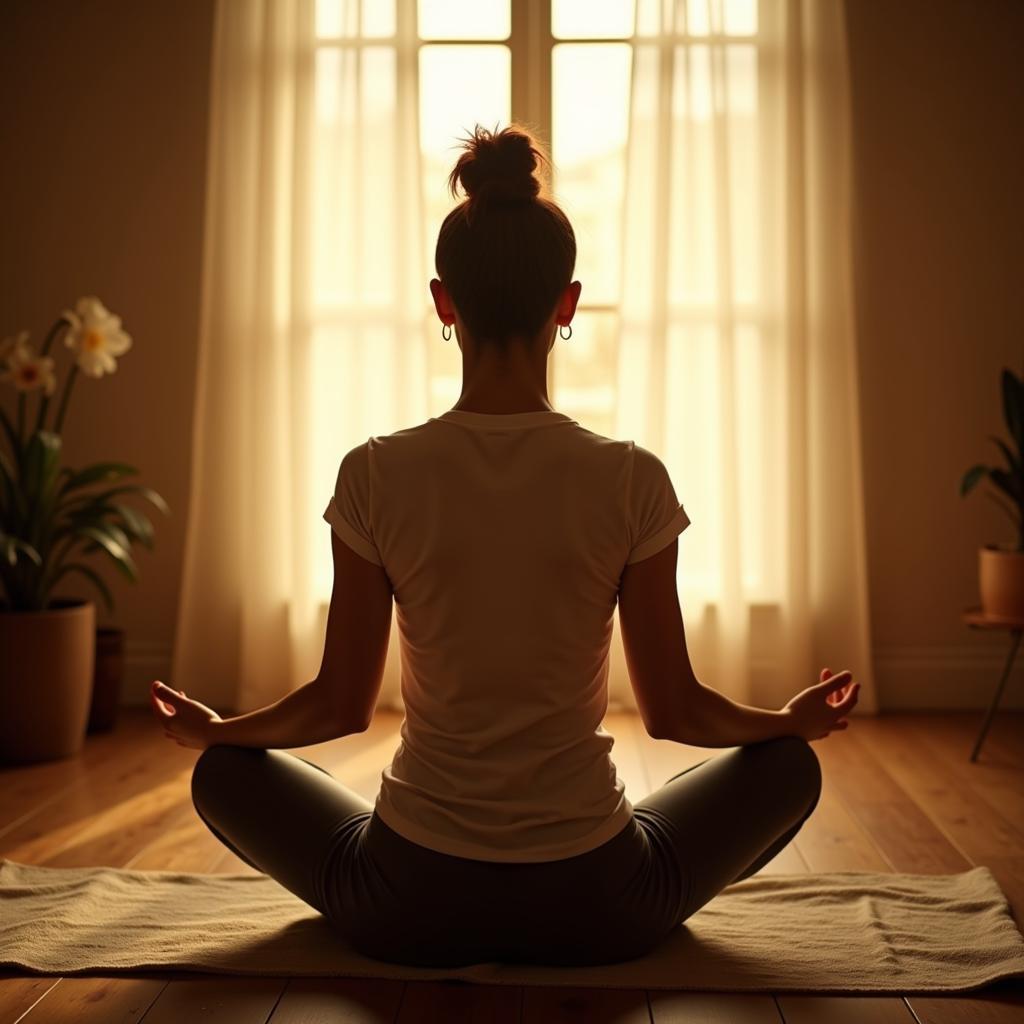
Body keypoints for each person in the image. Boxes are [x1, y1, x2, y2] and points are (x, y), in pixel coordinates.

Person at [154, 123, 860, 968]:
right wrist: (788, 722)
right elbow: (675, 711)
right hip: (601, 901)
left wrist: (219, 729)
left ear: (443, 302)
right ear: (567, 304)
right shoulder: (631, 478)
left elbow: (339, 705)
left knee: (224, 774)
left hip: (406, 900)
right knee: (788, 770)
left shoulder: (376, 473)